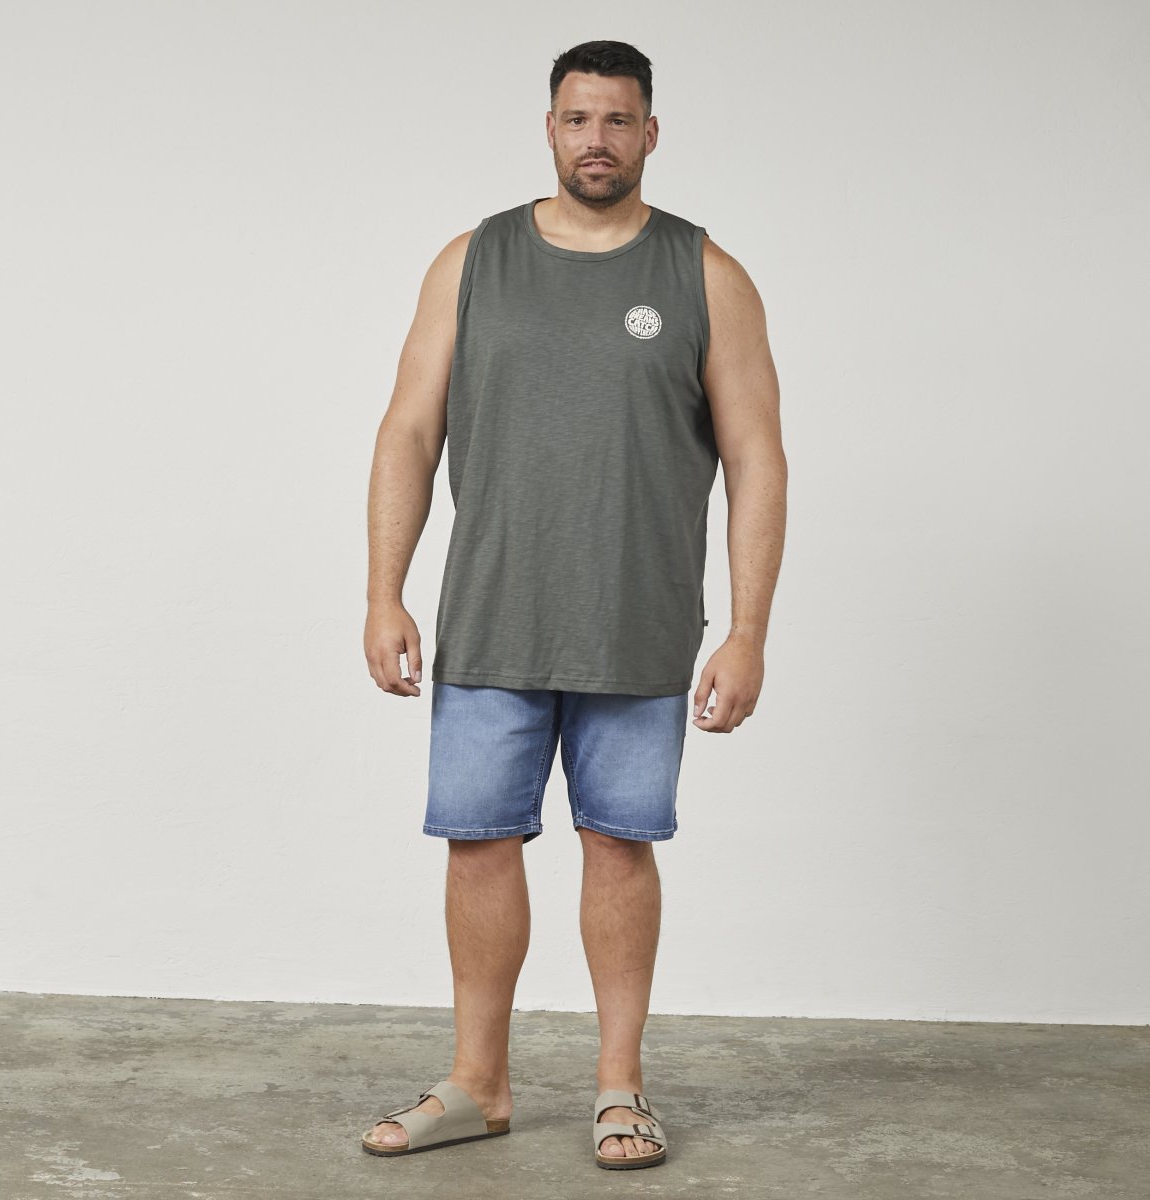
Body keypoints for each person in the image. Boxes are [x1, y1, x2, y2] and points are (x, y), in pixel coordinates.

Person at [360, 39, 786, 1170]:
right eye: (578, 118)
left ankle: (619, 1087)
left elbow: (758, 460)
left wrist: (748, 631)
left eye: (618, 120)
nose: (597, 139)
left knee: (620, 847)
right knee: (476, 844)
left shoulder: (705, 274)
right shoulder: (472, 262)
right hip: (491, 618)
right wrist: (384, 592)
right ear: (550, 129)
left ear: (651, 134)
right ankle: (477, 1084)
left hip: (636, 627)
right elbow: (408, 429)